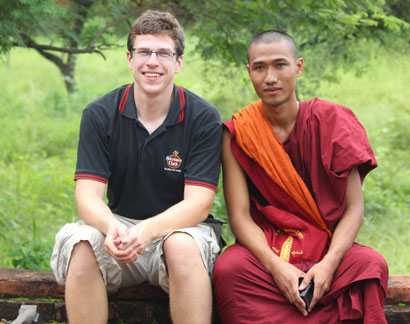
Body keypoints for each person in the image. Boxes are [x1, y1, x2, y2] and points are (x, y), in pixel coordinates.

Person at [50, 10, 223, 324]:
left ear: (178, 62)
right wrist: (111, 227)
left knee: (181, 246)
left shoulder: (203, 117)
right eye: (144, 52)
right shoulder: (100, 114)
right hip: (121, 227)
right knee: (82, 243)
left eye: (163, 53)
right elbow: (87, 197)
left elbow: (198, 205)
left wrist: (146, 231)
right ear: (130, 59)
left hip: (180, 229)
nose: (152, 62)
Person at [213, 30, 388, 323]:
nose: (270, 77)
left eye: (280, 65)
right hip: (270, 247)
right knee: (230, 269)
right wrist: (275, 267)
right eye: (260, 67)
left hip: (327, 245)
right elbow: (240, 217)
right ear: (249, 72)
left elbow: (355, 209)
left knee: (369, 264)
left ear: (299, 67)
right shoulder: (239, 133)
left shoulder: (333, 121)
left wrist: (330, 263)